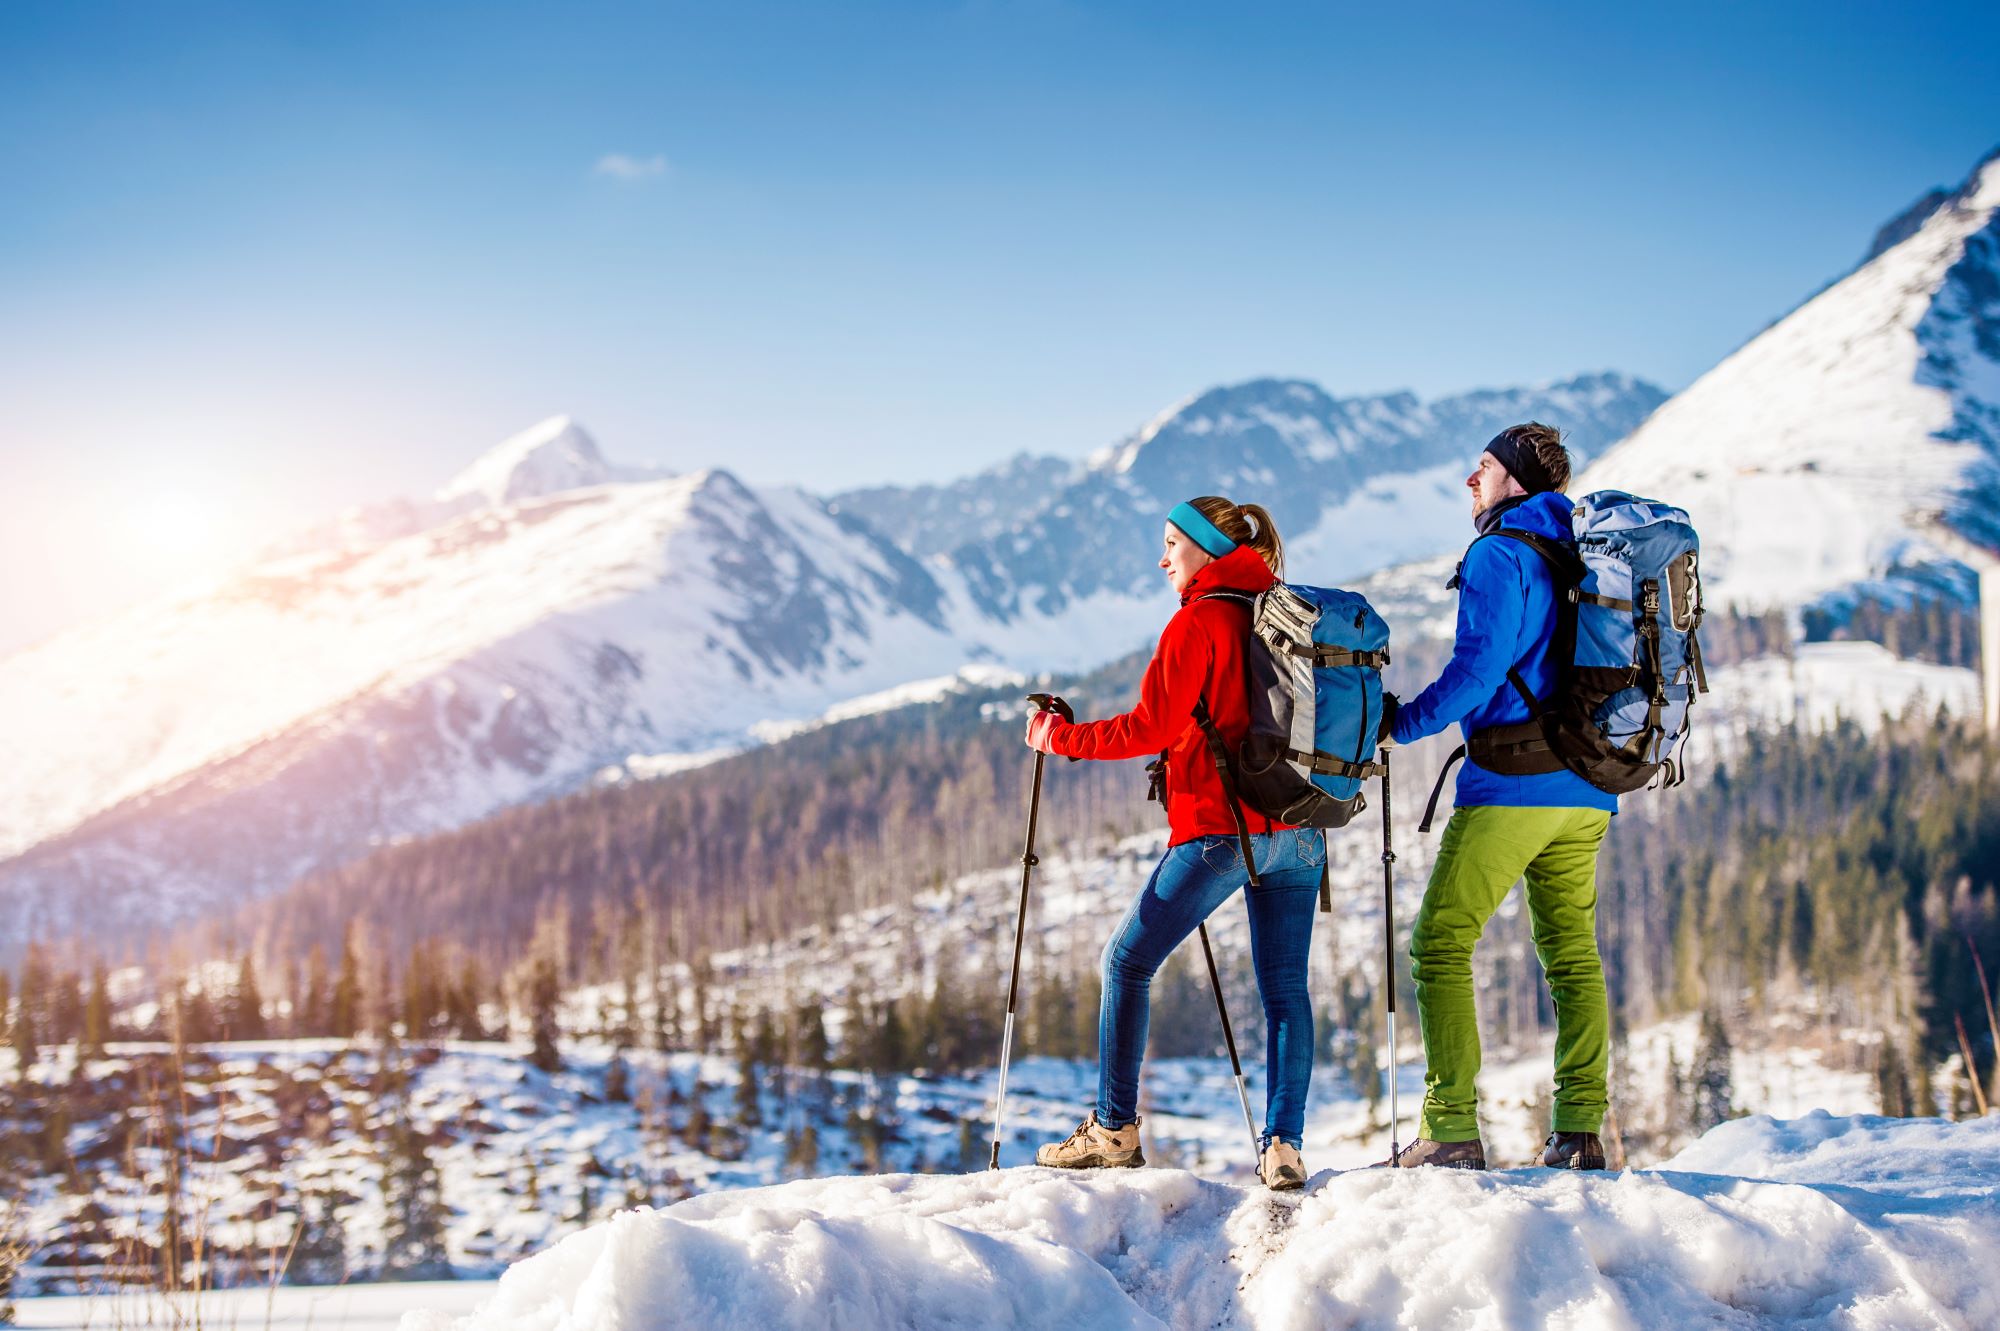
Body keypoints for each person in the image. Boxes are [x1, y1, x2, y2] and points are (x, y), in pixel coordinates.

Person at [1023, 495, 1325, 1191]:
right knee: (1285, 989)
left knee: (1126, 962)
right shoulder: (1281, 607)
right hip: (1302, 830)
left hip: (1221, 830)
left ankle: (1113, 1130)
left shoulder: (1199, 621)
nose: (1163, 559)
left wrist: (1057, 737)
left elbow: (1146, 729)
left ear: (1209, 549)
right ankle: (1284, 1147)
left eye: (1172, 545)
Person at [1378, 422, 1615, 1170]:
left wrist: (1402, 721)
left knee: (1441, 942)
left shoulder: (1498, 553)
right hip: (1588, 787)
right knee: (1572, 955)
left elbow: (1478, 672)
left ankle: (1448, 1126)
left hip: (1514, 785)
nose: (1469, 481)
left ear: (1514, 480)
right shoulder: (1577, 550)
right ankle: (1579, 1129)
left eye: (1482, 467)